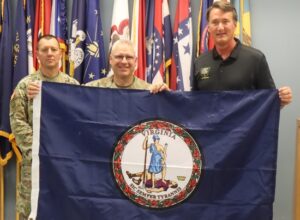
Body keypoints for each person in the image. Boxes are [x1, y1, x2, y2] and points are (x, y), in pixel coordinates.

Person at [9, 35, 79, 219]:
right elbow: (17, 122)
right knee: (32, 211)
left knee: (64, 210)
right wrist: (40, 149)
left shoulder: (72, 86)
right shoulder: (26, 86)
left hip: (65, 165)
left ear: (60, 53)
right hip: (35, 164)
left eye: (54, 49)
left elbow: (80, 123)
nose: (49, 53)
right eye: (44, 49)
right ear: (37, 55)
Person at [194, 1, 292, 108]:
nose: (220, 27)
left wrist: (281, 100)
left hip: (247, 126)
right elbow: (194, 104)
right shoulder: (200, 62)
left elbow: (268, 103)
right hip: (208, 126)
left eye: (225, 21)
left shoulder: (256, 59)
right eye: (215, 22)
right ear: (208, 28)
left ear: (235, 25)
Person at [85, 39, 169, 93]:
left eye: (129, 57)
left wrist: (165, 96)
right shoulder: (92, 90)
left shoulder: (149, 91)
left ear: (135, 61)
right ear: (110, 59)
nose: (124, 61)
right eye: (119, 57)